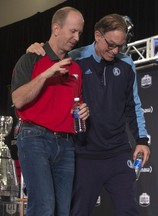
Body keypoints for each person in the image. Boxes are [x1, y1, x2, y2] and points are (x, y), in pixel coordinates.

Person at [27, 13, 150, 216]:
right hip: (84, 154)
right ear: (97, 35)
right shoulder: (75, 58)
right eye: (110, 44)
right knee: (77, 212)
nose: (115, 50)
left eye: (120, 46)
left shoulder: (127, 64)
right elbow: (49, 58)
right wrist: (36, 49)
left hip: (118, 153)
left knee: (129, 210)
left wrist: (142, 139)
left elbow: (133, 105)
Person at [11, 7, 89, 216]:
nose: (76, 37)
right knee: (43, 207)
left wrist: (82, 110)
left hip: (66, 144)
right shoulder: (30, 59)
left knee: (62, 211)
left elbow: (74, 102)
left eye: (79, 32)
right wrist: (47, 74)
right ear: (56, 28)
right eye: (72, 31)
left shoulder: (76, 69)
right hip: (34, 139)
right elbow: (18, 100)